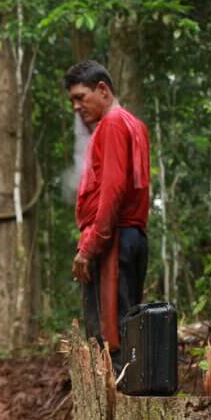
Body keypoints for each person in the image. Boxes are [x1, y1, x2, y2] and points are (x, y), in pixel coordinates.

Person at [64, 60, 150, 367]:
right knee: (129, 331)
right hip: (131, 238)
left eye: (80, 97)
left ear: (102, 89)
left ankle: (116, 407)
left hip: (112, 241)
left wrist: (88, 250)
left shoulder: (112, 124)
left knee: (110, 339)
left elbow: (112, 192)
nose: (76, 107)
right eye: (72, 100)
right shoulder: (134, 124)